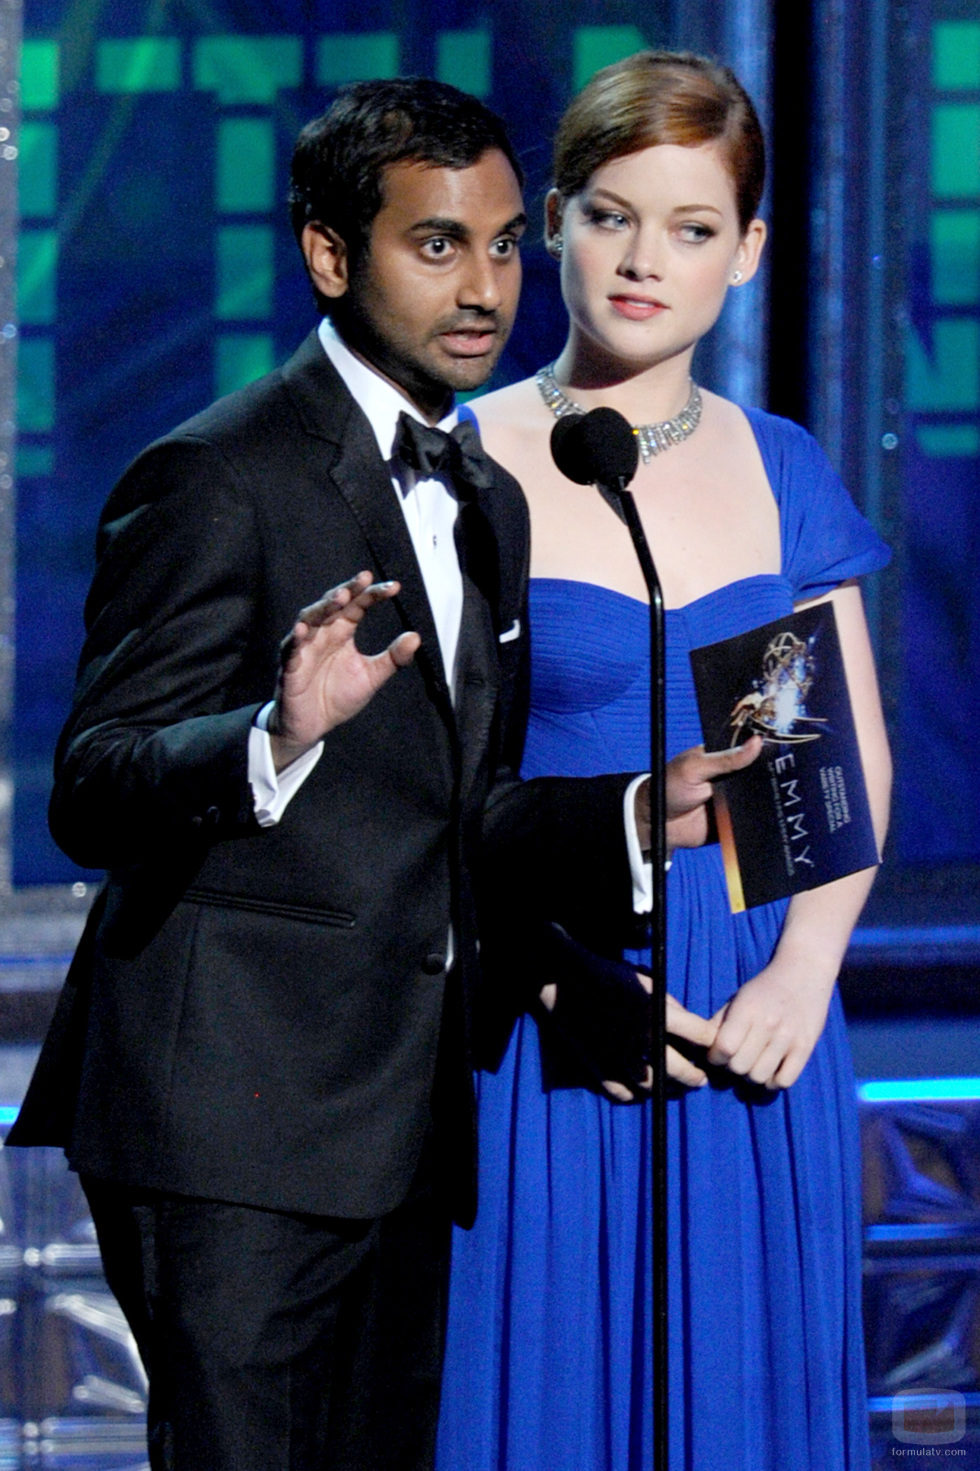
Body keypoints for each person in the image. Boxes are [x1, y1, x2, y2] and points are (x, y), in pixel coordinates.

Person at [7, 78, 732, 1471]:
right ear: (332, 254)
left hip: (398, 1121)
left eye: (508, 243)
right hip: (229, 1121)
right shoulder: (217, 474)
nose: (485, 288)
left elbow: (467, 815)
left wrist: (640, 814)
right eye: (437, 244)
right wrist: (276, 734)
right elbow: (92, 787)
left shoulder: (494, 496)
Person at [436, 50, 892, 1471]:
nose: (646, 261)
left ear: (749, 254)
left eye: (693, 229)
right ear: (556, 222)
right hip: (547, 1017)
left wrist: (803, 973)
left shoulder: (776, 468)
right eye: (612, 215)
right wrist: (563, 977)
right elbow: (414, 807)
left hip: (752, 1019)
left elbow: (820, 766)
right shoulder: (465, 461)